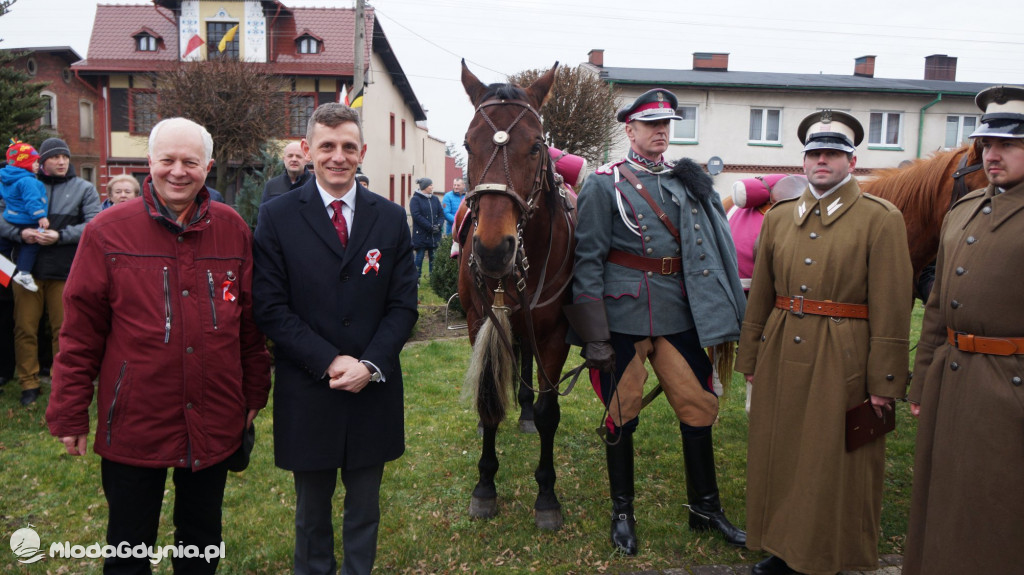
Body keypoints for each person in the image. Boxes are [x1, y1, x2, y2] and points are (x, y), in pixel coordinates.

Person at [45, 117, 272, 574]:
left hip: (213, 413)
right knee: (129, 544)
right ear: (149, 161)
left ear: (208, 165)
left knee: (202, 539)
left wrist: (253, 393)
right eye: (167, 160)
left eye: (190, 162)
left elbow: (249, 324)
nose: (178, 171)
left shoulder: (232, 229)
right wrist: (70, 410)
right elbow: (81, 331)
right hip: (136, 418)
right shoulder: (107, 231)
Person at [565, 88, 747, 556]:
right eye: (651, 125)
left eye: (666, 125)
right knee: (621, 411)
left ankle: (705, 508)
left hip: (677, 311)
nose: (661, 132)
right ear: (630, 130)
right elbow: (588, 261)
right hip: (621, 314)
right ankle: (622, 513)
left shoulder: (684, 180)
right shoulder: (604, 184)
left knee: (698, 405)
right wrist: (594, 334)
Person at [735, 110, 912, 575]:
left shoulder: (880, 219)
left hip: (843, 354)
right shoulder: (779, 218)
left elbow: (894, 305)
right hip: (780, 347)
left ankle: (826, 554)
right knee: (781, 451)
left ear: (852, 162)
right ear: (803, 160)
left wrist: (884, 381)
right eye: (814, 153)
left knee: (831, 457)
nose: (821, 161)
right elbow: (761, 293)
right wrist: (750, 356)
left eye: (833, 153)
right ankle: (783, 547)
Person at [253, 102, 418, 575]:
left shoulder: (390, 218)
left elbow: (403, 305)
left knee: (364, 510)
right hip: (310, 389)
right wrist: (329, 361)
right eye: (327, 146)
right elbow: (271, 308)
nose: (338, 156)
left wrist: (370, 365)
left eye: (348, 146)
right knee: (311, 515)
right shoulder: (278, 216)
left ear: (362, 152)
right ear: (308, 151)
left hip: (373, 388)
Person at [903, 85, 1024, 575]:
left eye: (1009, 145)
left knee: (996, 502)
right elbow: (936, 308)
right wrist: (922, 379)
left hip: (1009, 383)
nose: (992, 155)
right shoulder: (964, 209)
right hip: (952, 379)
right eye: (987, 145)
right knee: (944, 496)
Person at [0, 137, 101, 406]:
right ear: (42, 161)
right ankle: (29, 383)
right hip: (26, 271)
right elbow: (1, 217)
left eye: (65, 157)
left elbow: (94, 224)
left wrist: (60, 235)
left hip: (66, 270)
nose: (61, 161)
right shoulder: (23, 182)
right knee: (24, 328)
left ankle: (61, 381)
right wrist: (21, 233)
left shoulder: (83, 188)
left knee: (63, 329)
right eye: (55, 157)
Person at [1, 141, 49, 292]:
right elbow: (32, 201)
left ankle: (3, 273)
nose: (38, 165)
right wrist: (40, 216)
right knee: (32, 243)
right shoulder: (28, 180)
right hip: (26, 219)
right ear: (24, 163)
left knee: (4, 246)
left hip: (10, 217)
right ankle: (24, 272)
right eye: (34, 162)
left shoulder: (7, 178)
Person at [409, 177, 443, 280]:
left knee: (434, 258)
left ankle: (433, 279)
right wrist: (430, 227)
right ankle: (416, 279)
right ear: (425, 187)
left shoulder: (435, 199)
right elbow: (416, 215)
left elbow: (441, 214)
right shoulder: (415, 200)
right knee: (419, 257)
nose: (432, 187)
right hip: (421, 235)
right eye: (430, 185)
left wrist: (439, 225)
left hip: (434, 235)